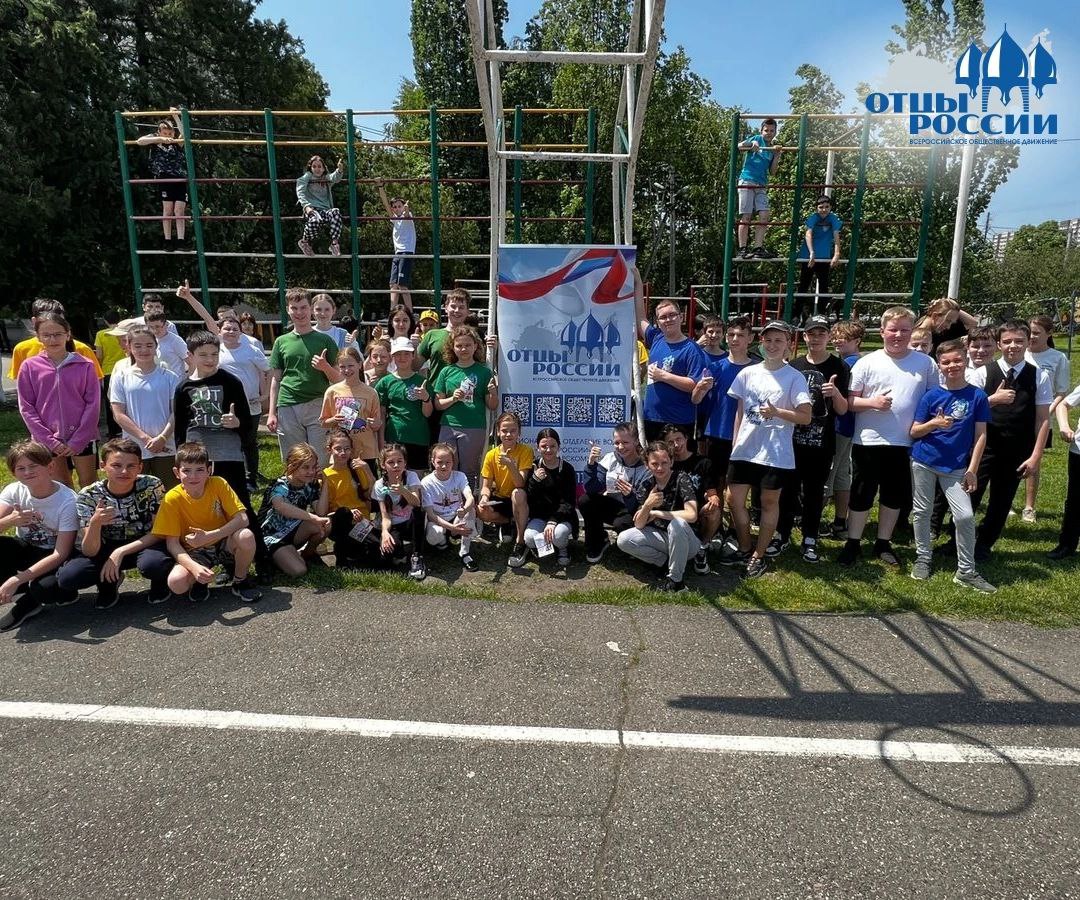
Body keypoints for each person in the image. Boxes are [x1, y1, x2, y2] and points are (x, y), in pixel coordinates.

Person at [838, 307, 939, 568]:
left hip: (905, 441)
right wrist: (872, 402)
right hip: (869, 440)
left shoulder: (925, 364)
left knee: (894, 494)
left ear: (912, 332)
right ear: (882, 331)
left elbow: (933, 400)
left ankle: (883, 542)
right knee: (862, 492)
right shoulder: (867, 362)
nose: (898, 335)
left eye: (905, 330)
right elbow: (850, 402)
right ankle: (853, 542)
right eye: (893, 330)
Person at [718, 320, 812, 579]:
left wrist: (777, 412)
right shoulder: (748, 373)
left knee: (768, 503)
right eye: (768, 340)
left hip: (774, 452)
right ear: (761, 342)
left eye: (778, 341)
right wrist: (736, 443)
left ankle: (758, 555)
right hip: (744, 450)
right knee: (733, 500)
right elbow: (740, 412)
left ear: (788, 345)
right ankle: (745, 546)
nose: (772, 345)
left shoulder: (794, 377)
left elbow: (805, 416)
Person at [173, 330, 268, 573]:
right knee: (211, 509)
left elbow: (247, 423)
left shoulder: (231, 382)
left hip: (228, 454)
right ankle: (225, 561)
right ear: (190, 356)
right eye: (203, 355)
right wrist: (181, 456)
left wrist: (237, 423)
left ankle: (262, 560)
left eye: (214, 354)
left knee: (240, 506)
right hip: (199, 458)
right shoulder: (183, 387)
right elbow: (180, 427)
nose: (210, 359)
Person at [908, 340, 995, 592]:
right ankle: (923, 557)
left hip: (956, 467)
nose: (952, 366)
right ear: (940, 366)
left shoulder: (977, 396)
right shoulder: (931, 395)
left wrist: (972, 469)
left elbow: (981, 435)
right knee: (922, 511)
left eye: (957, 360)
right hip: (924, 461)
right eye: (946, 362)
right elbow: (914, 431)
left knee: (965, 516)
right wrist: (934, 424)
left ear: (965, 361)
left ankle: (966, 571)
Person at [965, 320, 1051, 561]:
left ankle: (984, 544)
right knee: (969, 495)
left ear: (1028, 343)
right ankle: (957, 539)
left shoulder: (1039, 376)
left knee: (1002, 500)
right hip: (984, 446)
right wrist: (993, 400)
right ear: (999, 345)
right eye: (1007, 341)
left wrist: (1035, 456)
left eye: (1019, 341)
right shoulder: (983, 373)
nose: (1013, 346)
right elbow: (968, 410)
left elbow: (1043, 419)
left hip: (1017, 449)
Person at [56, 438, 173, 609]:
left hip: (145, 543)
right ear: (103, 466)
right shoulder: (88, 495)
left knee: (154, 564)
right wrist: (95, 523)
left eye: (131, 466)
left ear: (140, 467)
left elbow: (159, 532)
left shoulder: (152, 485)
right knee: (70, 577)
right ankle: (108, 583)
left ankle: (160, 582)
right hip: (104, 547)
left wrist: (120, 552)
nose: (124, 471)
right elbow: (89, 550)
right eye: (116, 465)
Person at [772, 316, 850, 563]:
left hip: (821, 443)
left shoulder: (839, 366)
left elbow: (843, 409)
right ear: (804, 336)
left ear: (828, 337)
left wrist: (835, 393)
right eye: (811, 334)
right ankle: (782, 534)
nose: (815, 338)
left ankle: (810, 538)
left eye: (821, 334)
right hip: (791, 440)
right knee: (788, 490)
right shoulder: (793, 366)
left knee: (815, 492)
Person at [152, 443, 261, 603]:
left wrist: (210, 536)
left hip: (224, 542)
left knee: (246, 536)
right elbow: (172, 544)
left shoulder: (218, 483)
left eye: (200, 470)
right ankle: (199, 580)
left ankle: (240, 580)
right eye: (186, 471)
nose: (193, 476)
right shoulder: (171, 498)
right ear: (176, 472)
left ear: (209, 470)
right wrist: (194, 567)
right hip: (195, 550)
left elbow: (243, 519)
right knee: (176, 583)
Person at [16, 312, 101, 490]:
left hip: (83, 437)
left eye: (57, 334)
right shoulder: (29, 367)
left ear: (67, 334)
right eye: (46, 335)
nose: (52, 339)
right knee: (61, 486)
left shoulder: (85, 365)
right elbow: (27, 407)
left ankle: (89, 510)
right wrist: (49, 440)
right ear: (38, 337)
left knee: (89, 484)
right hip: (47, 439)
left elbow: (93, 405)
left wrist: (78, 440)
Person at [0, 441, 79, 631]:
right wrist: (9, 521)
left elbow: (60, 554)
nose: (27, 472)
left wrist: (18, 578)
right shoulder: (14, 490)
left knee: (46, 589)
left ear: (50, 467)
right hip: (28, 548)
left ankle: (61, 593)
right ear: (13, 472)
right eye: (21, 468)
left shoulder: (68, 501)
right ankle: (24, 598)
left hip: (57, 555)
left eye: (33, 465)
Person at [691, 316, 757, 529]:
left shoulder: (758, 369)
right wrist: (700, 389)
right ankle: (716, 528)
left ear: (750, 338)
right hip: (717, 433)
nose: (735, 339)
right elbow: (696, 400)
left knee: (738, 489)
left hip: (748, 435)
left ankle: (737, 530)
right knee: (716, 484)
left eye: (740, 335)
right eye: (731, 335)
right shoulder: (715, 367)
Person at [267, 288, 341, 465]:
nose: (299, 312)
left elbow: (339, 379)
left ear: (310, 309)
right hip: (288, 405)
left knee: (320, 459)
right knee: (295, 459)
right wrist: (271, 413)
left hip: (318, 404)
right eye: (294, 308)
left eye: (303, 307)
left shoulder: (325, 341)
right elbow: (276, 379)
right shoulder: (281, 341)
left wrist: (325, 367)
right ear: (288, 310)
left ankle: (319, 484)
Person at [617, 441, 700, 593]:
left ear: (671, 461)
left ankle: (676, 581)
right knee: (624, 539)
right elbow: (639, 524)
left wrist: (657, 513)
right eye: (655, 464)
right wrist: (648, 505)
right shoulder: (647, 484)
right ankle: (664, 563)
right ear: (647, 465)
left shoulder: (681, 478)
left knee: (677, 524)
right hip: (662, 538)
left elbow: (692, 515)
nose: (660, 468)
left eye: (664, 463)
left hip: (687, 541)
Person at [636, 267, 707, 442]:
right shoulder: (656, 338)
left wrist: (663, 376)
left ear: (681, 317)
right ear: (658, 322)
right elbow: (640, 318)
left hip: (679, 421)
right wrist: (637, 282)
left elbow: (694, 385)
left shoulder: (692, 349)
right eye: (663, 317)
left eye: (672, 315)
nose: (668, 320)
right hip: (652, 418)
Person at [109, 323, 181, 488]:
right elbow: (118, 413)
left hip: (166, 447)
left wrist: (162, 438)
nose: (144, 350)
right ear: (129, 347)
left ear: (156, 346)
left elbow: (176, 412)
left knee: (168, 491)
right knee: (135, 491)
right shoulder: (121, 376)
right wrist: (145, 438)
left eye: (149, 345)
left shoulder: (170, 377)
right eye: (138, 346)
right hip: (134, 447)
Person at [433, 324, 498, 483]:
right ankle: (447, 498)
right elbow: (438, 404)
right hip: (449, 425)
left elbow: (492, 405)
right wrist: (453, 399)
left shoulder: (484, 372)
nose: (464, 349)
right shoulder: (446, 371)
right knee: (446, 467)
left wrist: (493, 393)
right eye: (459, 345)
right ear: (453, 348)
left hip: (474, 426)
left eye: (468, 345)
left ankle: (468, 498)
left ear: (475, 346)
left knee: (469, 470)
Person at [1022, 315, 1070, 523]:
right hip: (1017, 415)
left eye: (1036, 333)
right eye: (1029, 332)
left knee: (1034, 461)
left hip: (1041, 418)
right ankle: (1005, 503)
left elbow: (1061, 391)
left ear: (1049, 334)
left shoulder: (1058, 358)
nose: (1031, 337)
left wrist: (1046, 411)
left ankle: (1029, 507)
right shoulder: (1020, 353)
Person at [579, 423, 649, 563]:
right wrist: (591, 464)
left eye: (625, 442)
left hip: (636, 511)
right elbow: (592, 489)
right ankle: (598, 541)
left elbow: (644, 504)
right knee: (585, 500)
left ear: (636, 441)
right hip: (614, 506)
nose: (621, 447)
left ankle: (633, 546)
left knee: (621, 524)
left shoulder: (647, 465)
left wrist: (629, 495)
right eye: (617, 443)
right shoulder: (610, 458)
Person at [216, 315, 270, 489]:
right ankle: (229, 479)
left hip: (250, 405)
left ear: (240, 332)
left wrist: (265, 395)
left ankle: (250, 479)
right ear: (219, 331)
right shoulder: (215, 351)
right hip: (224, 406)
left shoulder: (251, 349)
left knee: (248, 443)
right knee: (227, 442)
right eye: (227, 328)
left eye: (235, 329)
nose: (231, 332)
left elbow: (270, 371)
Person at [260, 443, 331, 577]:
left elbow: (321, 512)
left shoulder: (309, 484)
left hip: (294, 531)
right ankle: (271, 558)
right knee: (299, 571)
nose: (311, 472)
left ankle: (307, 554)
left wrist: (326, 483)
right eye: (305, 467)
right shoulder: (279, 485)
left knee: (325, 524)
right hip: (272, 537)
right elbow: (280, 506)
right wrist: (313, 517)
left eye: (313, 467)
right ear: (292, 466)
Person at [512, 428, 577, 569]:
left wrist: (553, 521)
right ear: (538, 447)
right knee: (529, 538)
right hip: (540, 516)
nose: (548, 450)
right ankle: (543, 547)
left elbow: (569, 502)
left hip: (562, 517)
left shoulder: (567, 469)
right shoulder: (533, 467)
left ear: (559, 446)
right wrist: (535, 480)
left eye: (552, 446)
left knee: (558, 536)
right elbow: (529, 499)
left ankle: (562, 548)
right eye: (544, 446)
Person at [824, 320, 864, 539]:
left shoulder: (848, 364)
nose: (838, 341)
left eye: (845, 338)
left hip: (839, 424)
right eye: (836, 337)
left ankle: (812, 519)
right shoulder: (855, 361)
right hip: (849, 426)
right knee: (841, 474)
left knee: (827, 474)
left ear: (857, 341)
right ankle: (840, 522)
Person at [662, 425, 721, 574]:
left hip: (696, 513)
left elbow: (712, 493)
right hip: (673, 514)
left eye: (679, 439)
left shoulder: (703, 463)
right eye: (670, 442)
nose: (676, 444)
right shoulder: (664, 465)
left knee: (714, 511)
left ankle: (703, 546)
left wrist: (713, 499)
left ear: (686, 438)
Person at [320, 429, 381, 569]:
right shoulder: (325, 474)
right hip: (340, 521)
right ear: (329, 450)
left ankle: (354, 553)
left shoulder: (357, 469)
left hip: (362, 522)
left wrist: (367, 470)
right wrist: (349, 512)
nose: (343, 452)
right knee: (344, 513)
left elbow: (373, 495)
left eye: (347, 449)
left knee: (378, 551)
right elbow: (323, 512)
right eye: (338, 449)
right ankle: (342, 559)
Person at [7, 297, 104, 382]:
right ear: (34, 321)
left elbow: (94, 384)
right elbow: (23, 386)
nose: (52, 340)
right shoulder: (21, 349)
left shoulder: (82, 349)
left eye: (59, 320)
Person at [477, 412, 533, 556]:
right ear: (498, 432)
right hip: (500, 498)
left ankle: (520, 540)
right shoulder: (491, 455)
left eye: (513, 431)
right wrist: (484, 498)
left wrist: (510, 465)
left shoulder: (526, 450)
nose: (508, 434)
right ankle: (508, 522)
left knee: (517, 493)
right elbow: (486, 486)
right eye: (504, 431)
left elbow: (520, 484)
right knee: (481, 511)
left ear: (519, 432)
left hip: (520, 499)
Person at [374, 338, 432, 472]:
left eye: (406, 353)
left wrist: (426, 398)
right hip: (394, 438)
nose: (402, 357)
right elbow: (381, 414)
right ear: (392, 357)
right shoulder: (385, 382)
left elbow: (428, 413)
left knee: (416, 479)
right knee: (394, 477)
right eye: (398, 354)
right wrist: (381, 441)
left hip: (419, 438)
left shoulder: (422, 382)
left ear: (413, 356)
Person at [320, 346, 382, 471]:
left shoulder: (371, 392)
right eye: (342, 367)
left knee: (366, 482)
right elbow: (323, 422)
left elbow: (377, 424)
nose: (347, 370)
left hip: (365, 451)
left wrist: (375, 423)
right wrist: (334, 419)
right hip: (340, 452)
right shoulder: (332, 391)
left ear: (359, 365)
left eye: (350, 366)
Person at [372, 443, 426, 580]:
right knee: (387, 554)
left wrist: (403, 490)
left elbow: (416, 502)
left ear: (405, 463)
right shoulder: (379, 485)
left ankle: (417, 557)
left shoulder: (411, 476)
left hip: (411, 523)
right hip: (394, 525)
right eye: (391, 462)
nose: (396, 465)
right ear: (383, 465)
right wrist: (385, 532)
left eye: (399, 461)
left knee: (418, 512)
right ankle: (399, 552)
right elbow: (385, 516)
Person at [135, 108, 187, 250]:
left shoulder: (176, 144)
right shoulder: (156, 142)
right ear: (159, 133)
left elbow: (185, 133)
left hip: (179, 179)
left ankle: (181, 241)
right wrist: (160, 139)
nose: (168, 136)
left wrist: (176, 117)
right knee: (168, 210)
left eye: (170, 134)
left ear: (173, 134)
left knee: (179, 211)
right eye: (165, 133)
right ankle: (167, 240)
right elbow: (139, 141)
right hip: (164, 178)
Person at [421, 443, 478, 572]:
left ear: (453, 462)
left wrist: (464, 510)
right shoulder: (426, 482)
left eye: (448, 462)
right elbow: (430, 514)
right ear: (432, 461)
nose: (444, 466)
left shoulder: (460, 476)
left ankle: (465, 552)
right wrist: (452, 528)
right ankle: (442, 541)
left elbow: (470, 498)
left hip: (456, 516)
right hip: (438, 519)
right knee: (434, 536)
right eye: (439, 462)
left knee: (471, 511)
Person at [736, 118, 782, 259]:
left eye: (772, 131)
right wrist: (751, 144)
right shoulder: (756, 139)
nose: (769, 133)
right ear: (761, 131)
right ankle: (742, 249)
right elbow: (739, 146)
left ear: (775, 132)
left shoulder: (772, 148)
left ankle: (758, 248)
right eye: (766, 130)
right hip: (747, 180)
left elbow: (772, 172)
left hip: (761, 184)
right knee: (746, 215)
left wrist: (777, 156)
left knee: (764, 215)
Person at [795, 196, 843, 322]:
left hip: (824, 258)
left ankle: (821, 315)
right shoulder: (813, 218)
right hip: (808, 257)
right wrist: (811, 252)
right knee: (803, 286)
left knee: (824, 287)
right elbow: (808, 234)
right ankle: (796, 315)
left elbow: (836, 236)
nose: (824, 210)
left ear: (830, 207)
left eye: (827, 207)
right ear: (816, 208)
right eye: (821, 207)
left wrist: (837, 254)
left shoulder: (833, 218)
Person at [1048, 378, 1080, 561]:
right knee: (1075, 499)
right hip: (1079, 451)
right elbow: (1063, 405)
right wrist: (1065, 426)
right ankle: (1067, 544)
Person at [376, 177, 416, 309]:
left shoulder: (407, 216)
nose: (397, 208)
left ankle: (410, 312)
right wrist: (380, 186)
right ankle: (392, 311)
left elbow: (406, 215)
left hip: (406, 252)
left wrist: (406, 209)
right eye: (395, 207)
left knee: (403, 285)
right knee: (393, 285)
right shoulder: (394, 219)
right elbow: (385, 204)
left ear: (403, 207)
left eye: (399, 206)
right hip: (397, 253)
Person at [296, 156, 345, 256]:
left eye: (319, 166)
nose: (317, 169)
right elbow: (300, 189)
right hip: (312, 209)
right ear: (310, 168)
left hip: (325, 210)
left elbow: (334, 178)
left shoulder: (325, 177)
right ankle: (304, 242)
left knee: (336, 212)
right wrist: (306, 206)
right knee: (314, 221)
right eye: (314, 166)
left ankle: (334, 244)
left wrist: (339, 170)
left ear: (323, 168)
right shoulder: (308, 176)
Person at [95, 308, 129, 438]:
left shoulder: (101, 334)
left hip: (108, 371)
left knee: (111, 401)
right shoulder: (125, 333)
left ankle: (113, 431)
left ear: (105, 321)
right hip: (125, 368)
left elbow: (99, 355)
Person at [146, 311, 189, 377]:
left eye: (157, 326)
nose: (155, 330)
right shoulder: (149, 341)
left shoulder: (176, 341)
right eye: (151, 327)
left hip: (176, 381)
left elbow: (191, 362)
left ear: (166, 324)